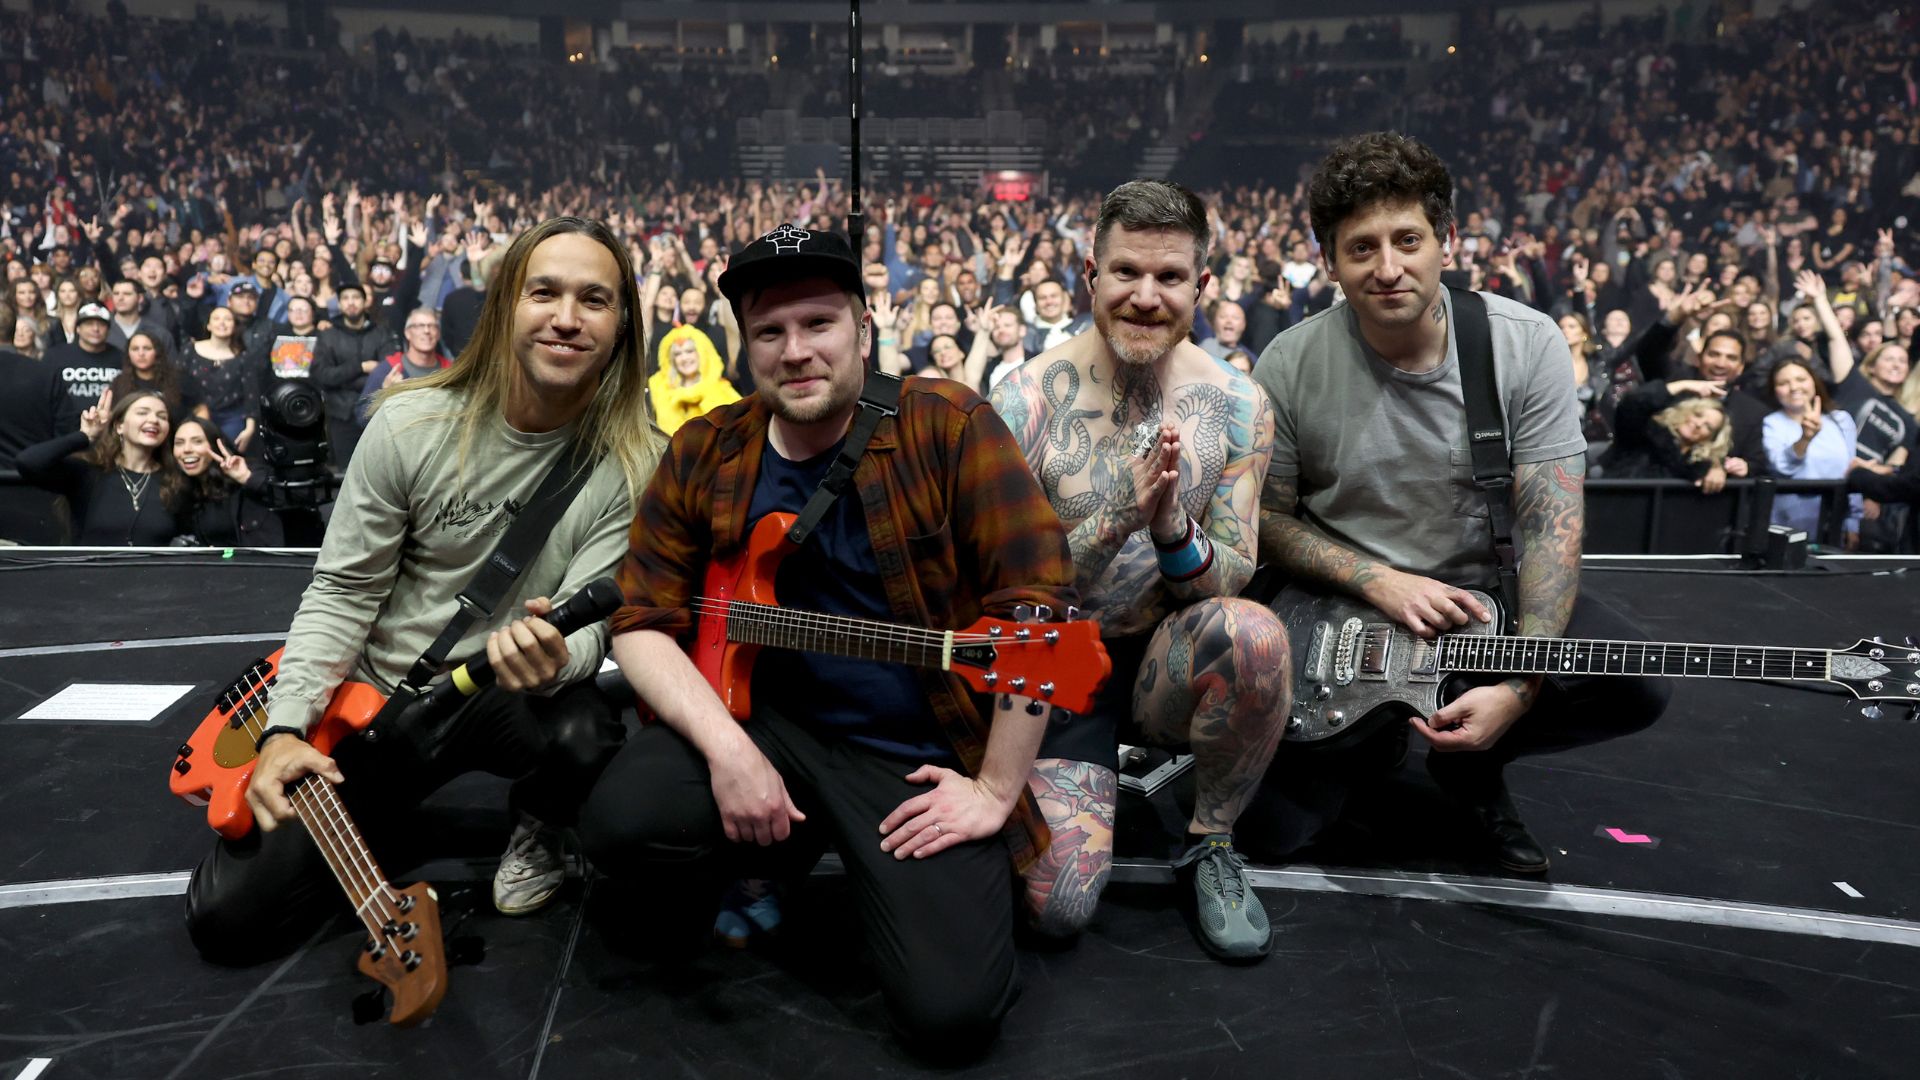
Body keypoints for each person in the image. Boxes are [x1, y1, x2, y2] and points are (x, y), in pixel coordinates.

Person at [578, 224, 1076, 1059]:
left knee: (952, 1017)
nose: (796, 350)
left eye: (819, 323)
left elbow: (1039, 616)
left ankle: (790, 855)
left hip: (910, 756)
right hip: (764, 725)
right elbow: (641, 620)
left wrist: (994, 790)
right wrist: (730, 753)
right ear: (745, 346)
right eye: (770, 331)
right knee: (622, 823)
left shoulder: (948, 426)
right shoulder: (706, 448)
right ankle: (767, 855)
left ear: (864, 328)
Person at [183, 217, 664, 966]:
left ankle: (538, 822)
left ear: (622, 325)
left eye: (594, 299)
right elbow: (343, 590)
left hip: (501, 692)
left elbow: (591, 622)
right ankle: (377, 805)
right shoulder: (409, 424)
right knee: (227, 920)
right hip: (379, 699)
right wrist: (284, 728)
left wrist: (555, 660)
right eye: (544, 292)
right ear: (505, 306)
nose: (567, 318)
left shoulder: (636, 461)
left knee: (586, 733)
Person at [1252, 132, 1669, 876]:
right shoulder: (1288, 362)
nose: (1388, 268)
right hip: (1339, 614)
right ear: (1329, 260)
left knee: (1635, 683)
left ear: (1446, 239)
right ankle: (1373, 740)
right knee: (1275, 837)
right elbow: (1269, 521)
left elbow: (1552, 525)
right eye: (1362, 248)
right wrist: (1378, 581)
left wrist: (1521, 685)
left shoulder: (1524, 343)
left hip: (1483, 602)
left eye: (1407, 240)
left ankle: (1471, 766)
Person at [991, 180, 1290, 963]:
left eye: (1169, 277)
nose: (1146, 297)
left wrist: (1170, 527)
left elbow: (1227, 578)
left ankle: (1210, 840)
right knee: (1058, 907)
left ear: (1203, 285)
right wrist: (1115, 516)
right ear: (1091, 275)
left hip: (1165, 656)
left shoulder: (1238, 405)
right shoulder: (1023, 401)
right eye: (1126, 271)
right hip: (1055, 662)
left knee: (1255, 636)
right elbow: (1003, 590)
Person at [16, 387, 180, 546]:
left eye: (162, 416)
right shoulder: (88, 472)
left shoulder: (175, 480)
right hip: (92, 566)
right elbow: (28, 463)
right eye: (142, 413)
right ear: (119, 426)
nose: (154, 420)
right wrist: (85, 436)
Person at [1762, 358, 1859, 542]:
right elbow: (1781, 466)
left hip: (1835, 520)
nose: (1794, 387)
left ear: (1814, 381)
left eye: (1801, 379)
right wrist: (1805, 438)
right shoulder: (1772, 422)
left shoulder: (1841, 420)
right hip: (1789, 522)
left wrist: (1853, 521)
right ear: (1774, 390)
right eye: (1783, 383)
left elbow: (1852, 470)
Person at [168, 415, 282, 546]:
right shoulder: (187, 491)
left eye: (197, 441)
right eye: (179, 443)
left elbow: (291, 500)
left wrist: (247, 478)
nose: (187, 449)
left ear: (215, 446)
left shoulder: (247, 472)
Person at [1597, 381, 1735, 486]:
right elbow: (1633, 404)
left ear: (1710, 438)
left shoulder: (1699, 464)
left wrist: (1717, 468)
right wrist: (1683, 384)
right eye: (1697, 415)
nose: (1699, 424)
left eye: (1708, 426)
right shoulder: (1646, 431)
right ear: (1685, 411)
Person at [310, 284, 389, 466]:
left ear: (365, 302)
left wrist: (342, 380)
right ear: (339, 304)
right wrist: (361, 367)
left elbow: (389, 372)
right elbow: (323, 376)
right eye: (345, 298)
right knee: (346, 473)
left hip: (376, 412)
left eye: (356, 297)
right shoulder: (328, 335)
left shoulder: (381, 332)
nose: (351, 302)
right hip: (341, 415)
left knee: (379, 471)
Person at [179, 306, 260, 449]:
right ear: (208, 325)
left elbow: (251, 392)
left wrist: (250, 427)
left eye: (228, 319)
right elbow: (177, 383)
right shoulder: (190, 350)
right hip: (193, 415)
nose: (222, 323)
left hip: (231, 418)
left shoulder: (244, 356)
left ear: (234, 326)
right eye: (216, 318)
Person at [646, 323, 739, 434]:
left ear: (701, 353)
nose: (684, 358)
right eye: (678, 354)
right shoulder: (658, 389)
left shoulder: (721, 389)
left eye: (689, 351)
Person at [43, 302, 124, 429]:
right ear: (78, 328)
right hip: (64, 428)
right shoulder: (55, 355)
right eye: (89, 324)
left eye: (101, 324)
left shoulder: (121, 357)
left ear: (108, 330)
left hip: (109, 428)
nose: (95, 329)